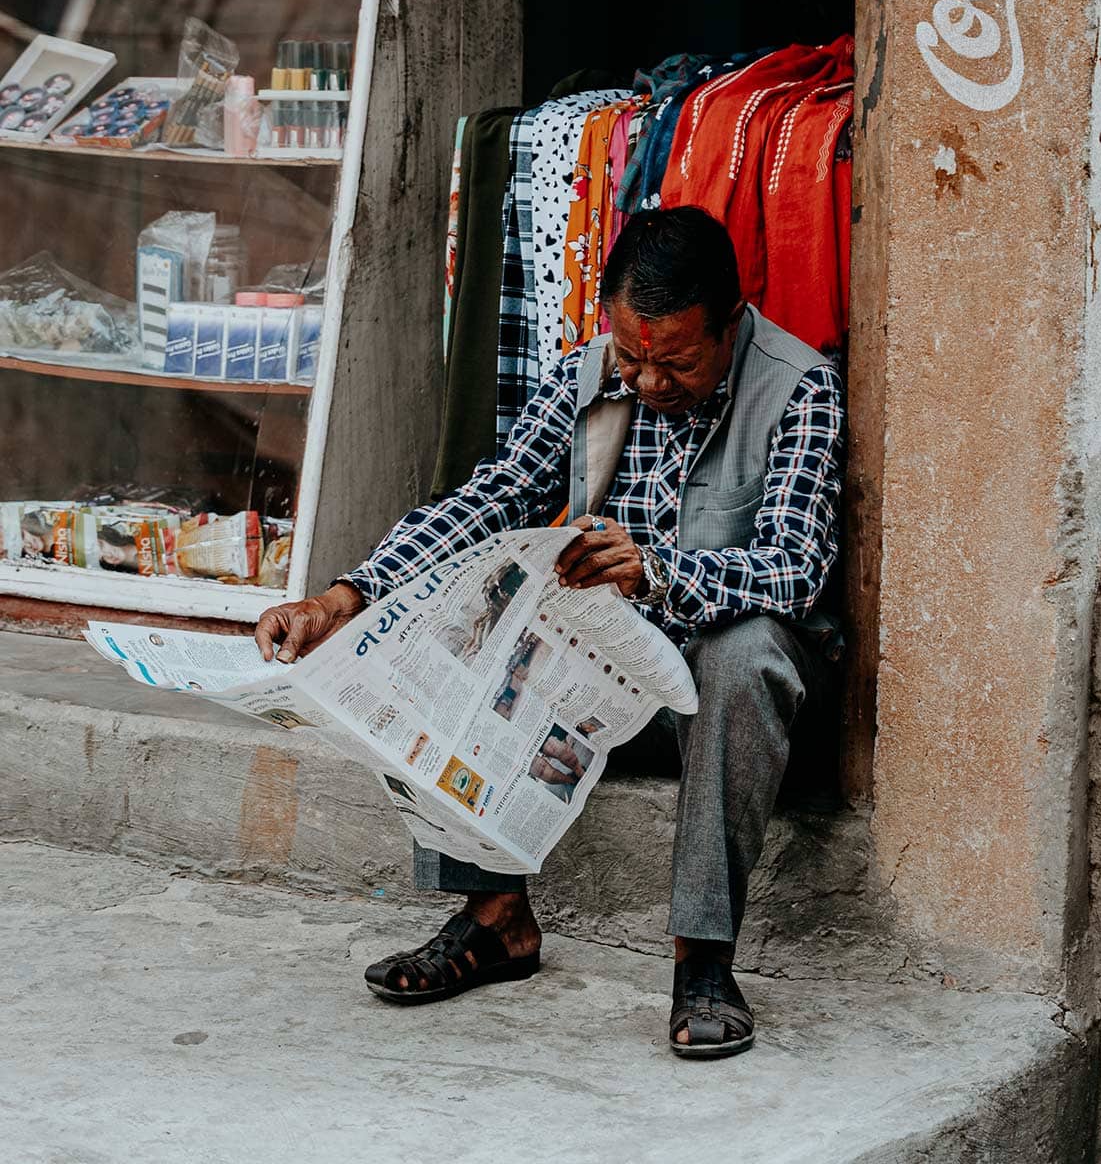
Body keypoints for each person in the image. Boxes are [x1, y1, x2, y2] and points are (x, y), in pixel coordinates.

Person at [255, 206, 845, 1060]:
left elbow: (794, 569)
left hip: (728, 693)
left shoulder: (799, 388)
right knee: (467, 607)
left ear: (730, 327)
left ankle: (703, 962)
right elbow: (489, 500)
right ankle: (495, 919)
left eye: (674, 362)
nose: (645, 382)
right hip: (612, 679)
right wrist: (348, 596)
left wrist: (661, 571)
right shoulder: (588, 375)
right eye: (632, 356)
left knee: (744, 652)